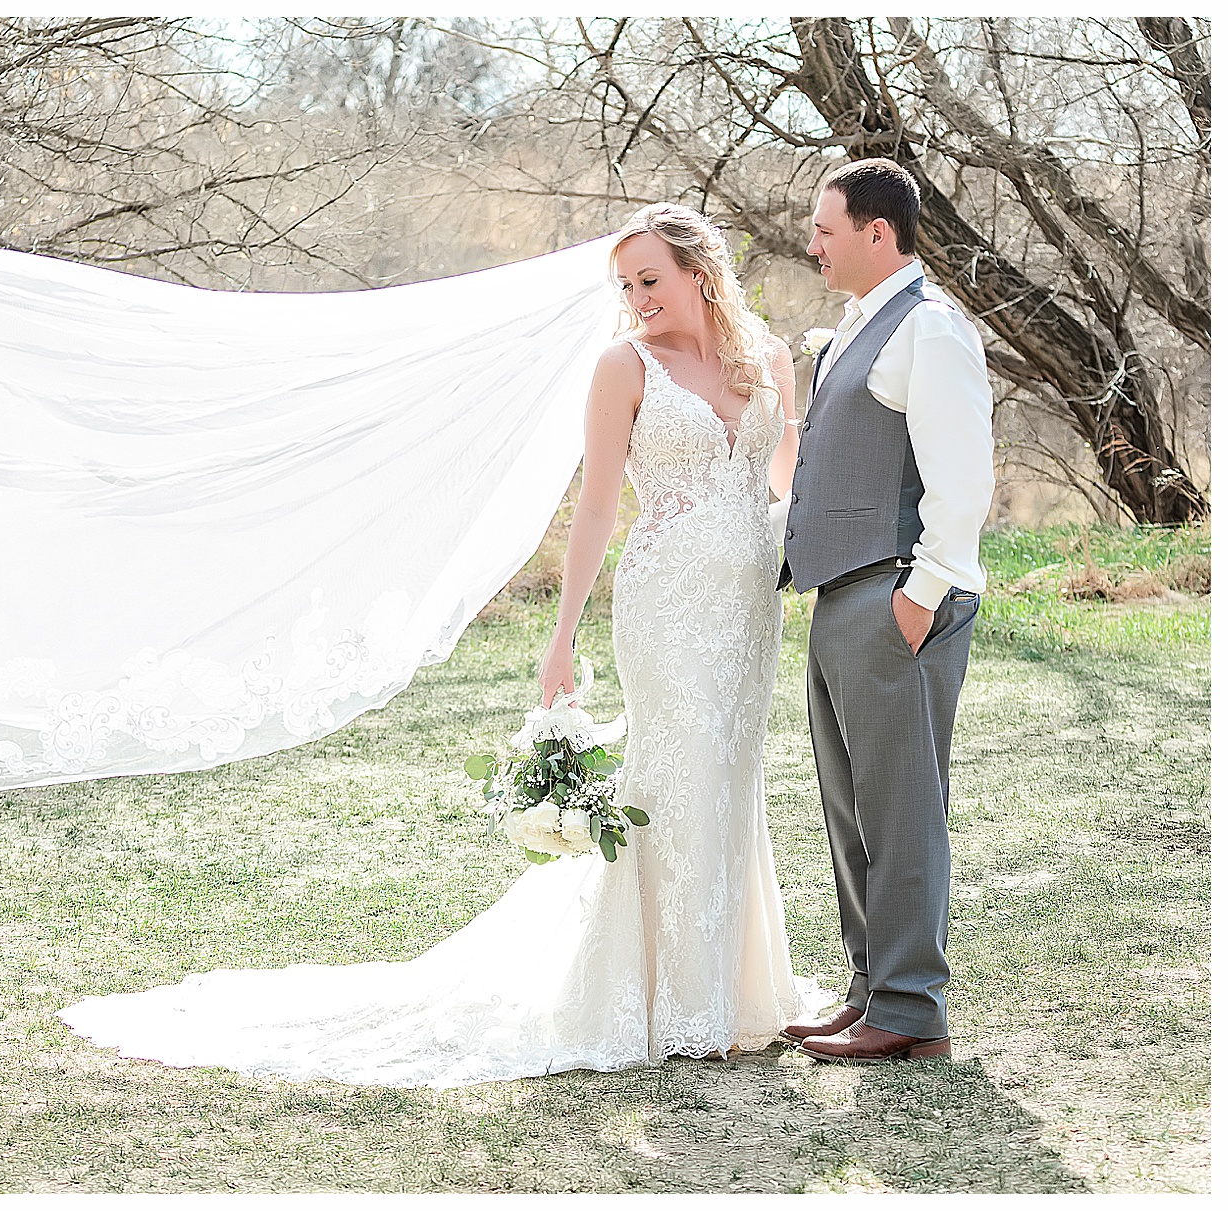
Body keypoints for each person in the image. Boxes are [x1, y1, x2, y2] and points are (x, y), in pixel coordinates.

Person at [57, 204, 827, 1086]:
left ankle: (733, 991)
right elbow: (599, 508)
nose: (637, 298)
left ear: (699, 271)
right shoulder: (623, 367)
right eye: (625, 285)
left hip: (745, 610)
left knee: (730, 775)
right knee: (673, 774)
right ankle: (673, 1000)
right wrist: (562, 635)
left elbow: (782, 483)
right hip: (666, 605)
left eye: (649, 279)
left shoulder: (769, 361)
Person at [775, 158, 994, 1062]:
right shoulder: (854, 330)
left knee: (902, 807)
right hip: (844, 596)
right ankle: (871, 986)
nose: (813, 244)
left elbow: (964, 478)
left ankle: (909, 1007)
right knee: (852, 806)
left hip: (896, 596)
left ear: (878, 232)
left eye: (827, 229)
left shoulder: (932, 329)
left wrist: (920, 596)